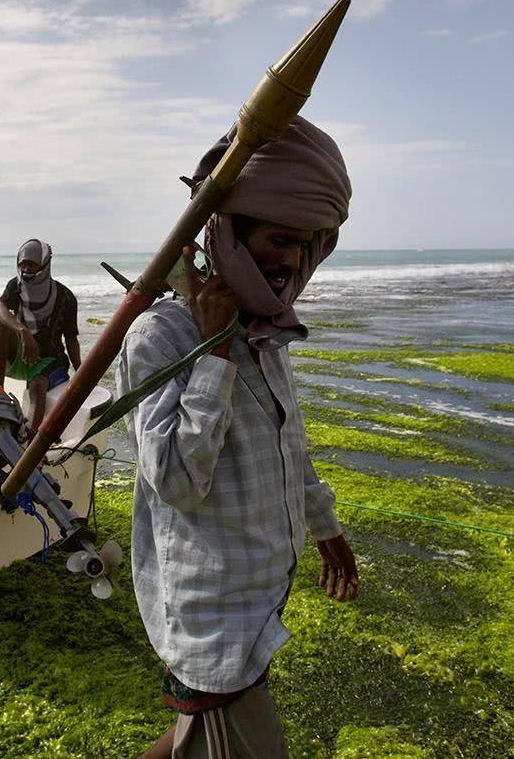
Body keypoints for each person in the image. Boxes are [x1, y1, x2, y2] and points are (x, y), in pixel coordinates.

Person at [120, 117, 360, 759]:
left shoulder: (268, 334)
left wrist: (326, 526)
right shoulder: (160, 339)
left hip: (258, 602)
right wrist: (214, 353)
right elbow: (175, 482)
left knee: (189, 742)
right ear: (229, 234)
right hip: (210, 619)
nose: (292, 259)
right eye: (281, 238)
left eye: (308, 245)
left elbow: (290, 451)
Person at [0, 239, 81, 431]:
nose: (26, 269)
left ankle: (30, 438)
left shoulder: (65, 297)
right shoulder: (15, 287)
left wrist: (81, 372)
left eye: (32, 264)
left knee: (38, 387)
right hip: (23, 355)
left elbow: (71, 339)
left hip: (50, 360)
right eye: (22, 263)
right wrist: (23, 331)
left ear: (45, 264)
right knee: (1, 326)